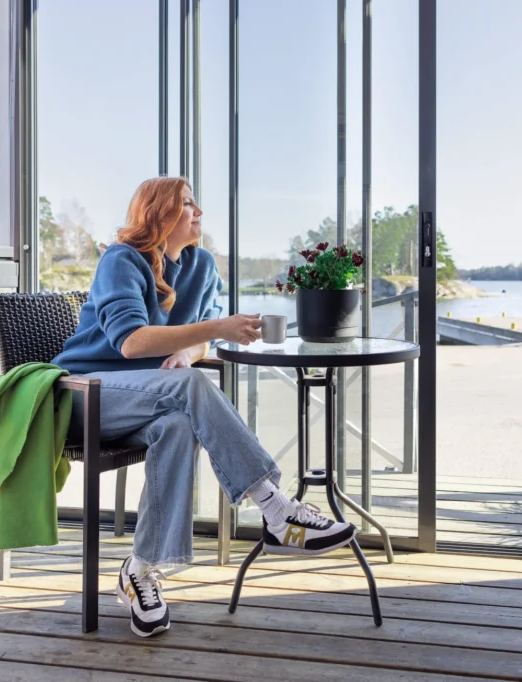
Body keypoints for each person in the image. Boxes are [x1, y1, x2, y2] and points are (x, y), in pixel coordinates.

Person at [52, 176, 356, 638]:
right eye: (188, 204)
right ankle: (276, 509)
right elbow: (132, 343)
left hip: (147, 397)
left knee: (177, 424)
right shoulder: (121, 260)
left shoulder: (201, 266)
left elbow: (200, 340)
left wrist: (186, 353)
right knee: (189, 390)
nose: (199, 212)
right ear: (160, 213)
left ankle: (140, 569)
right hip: (83, 395)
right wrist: (211, 333)